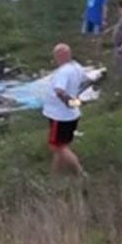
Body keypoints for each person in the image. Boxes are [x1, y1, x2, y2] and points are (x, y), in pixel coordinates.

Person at [42, 44, 91, 176]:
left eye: (56, 56)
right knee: (61, 145)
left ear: (60, 55)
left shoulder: (63, 72)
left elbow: (59, 91)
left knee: (57, 147)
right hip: (71, 115)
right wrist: (79, 101)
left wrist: (72, 102)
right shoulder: (77, 67)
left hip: (60, 116)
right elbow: (85, 82)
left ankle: (80, 173)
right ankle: (54, 174)